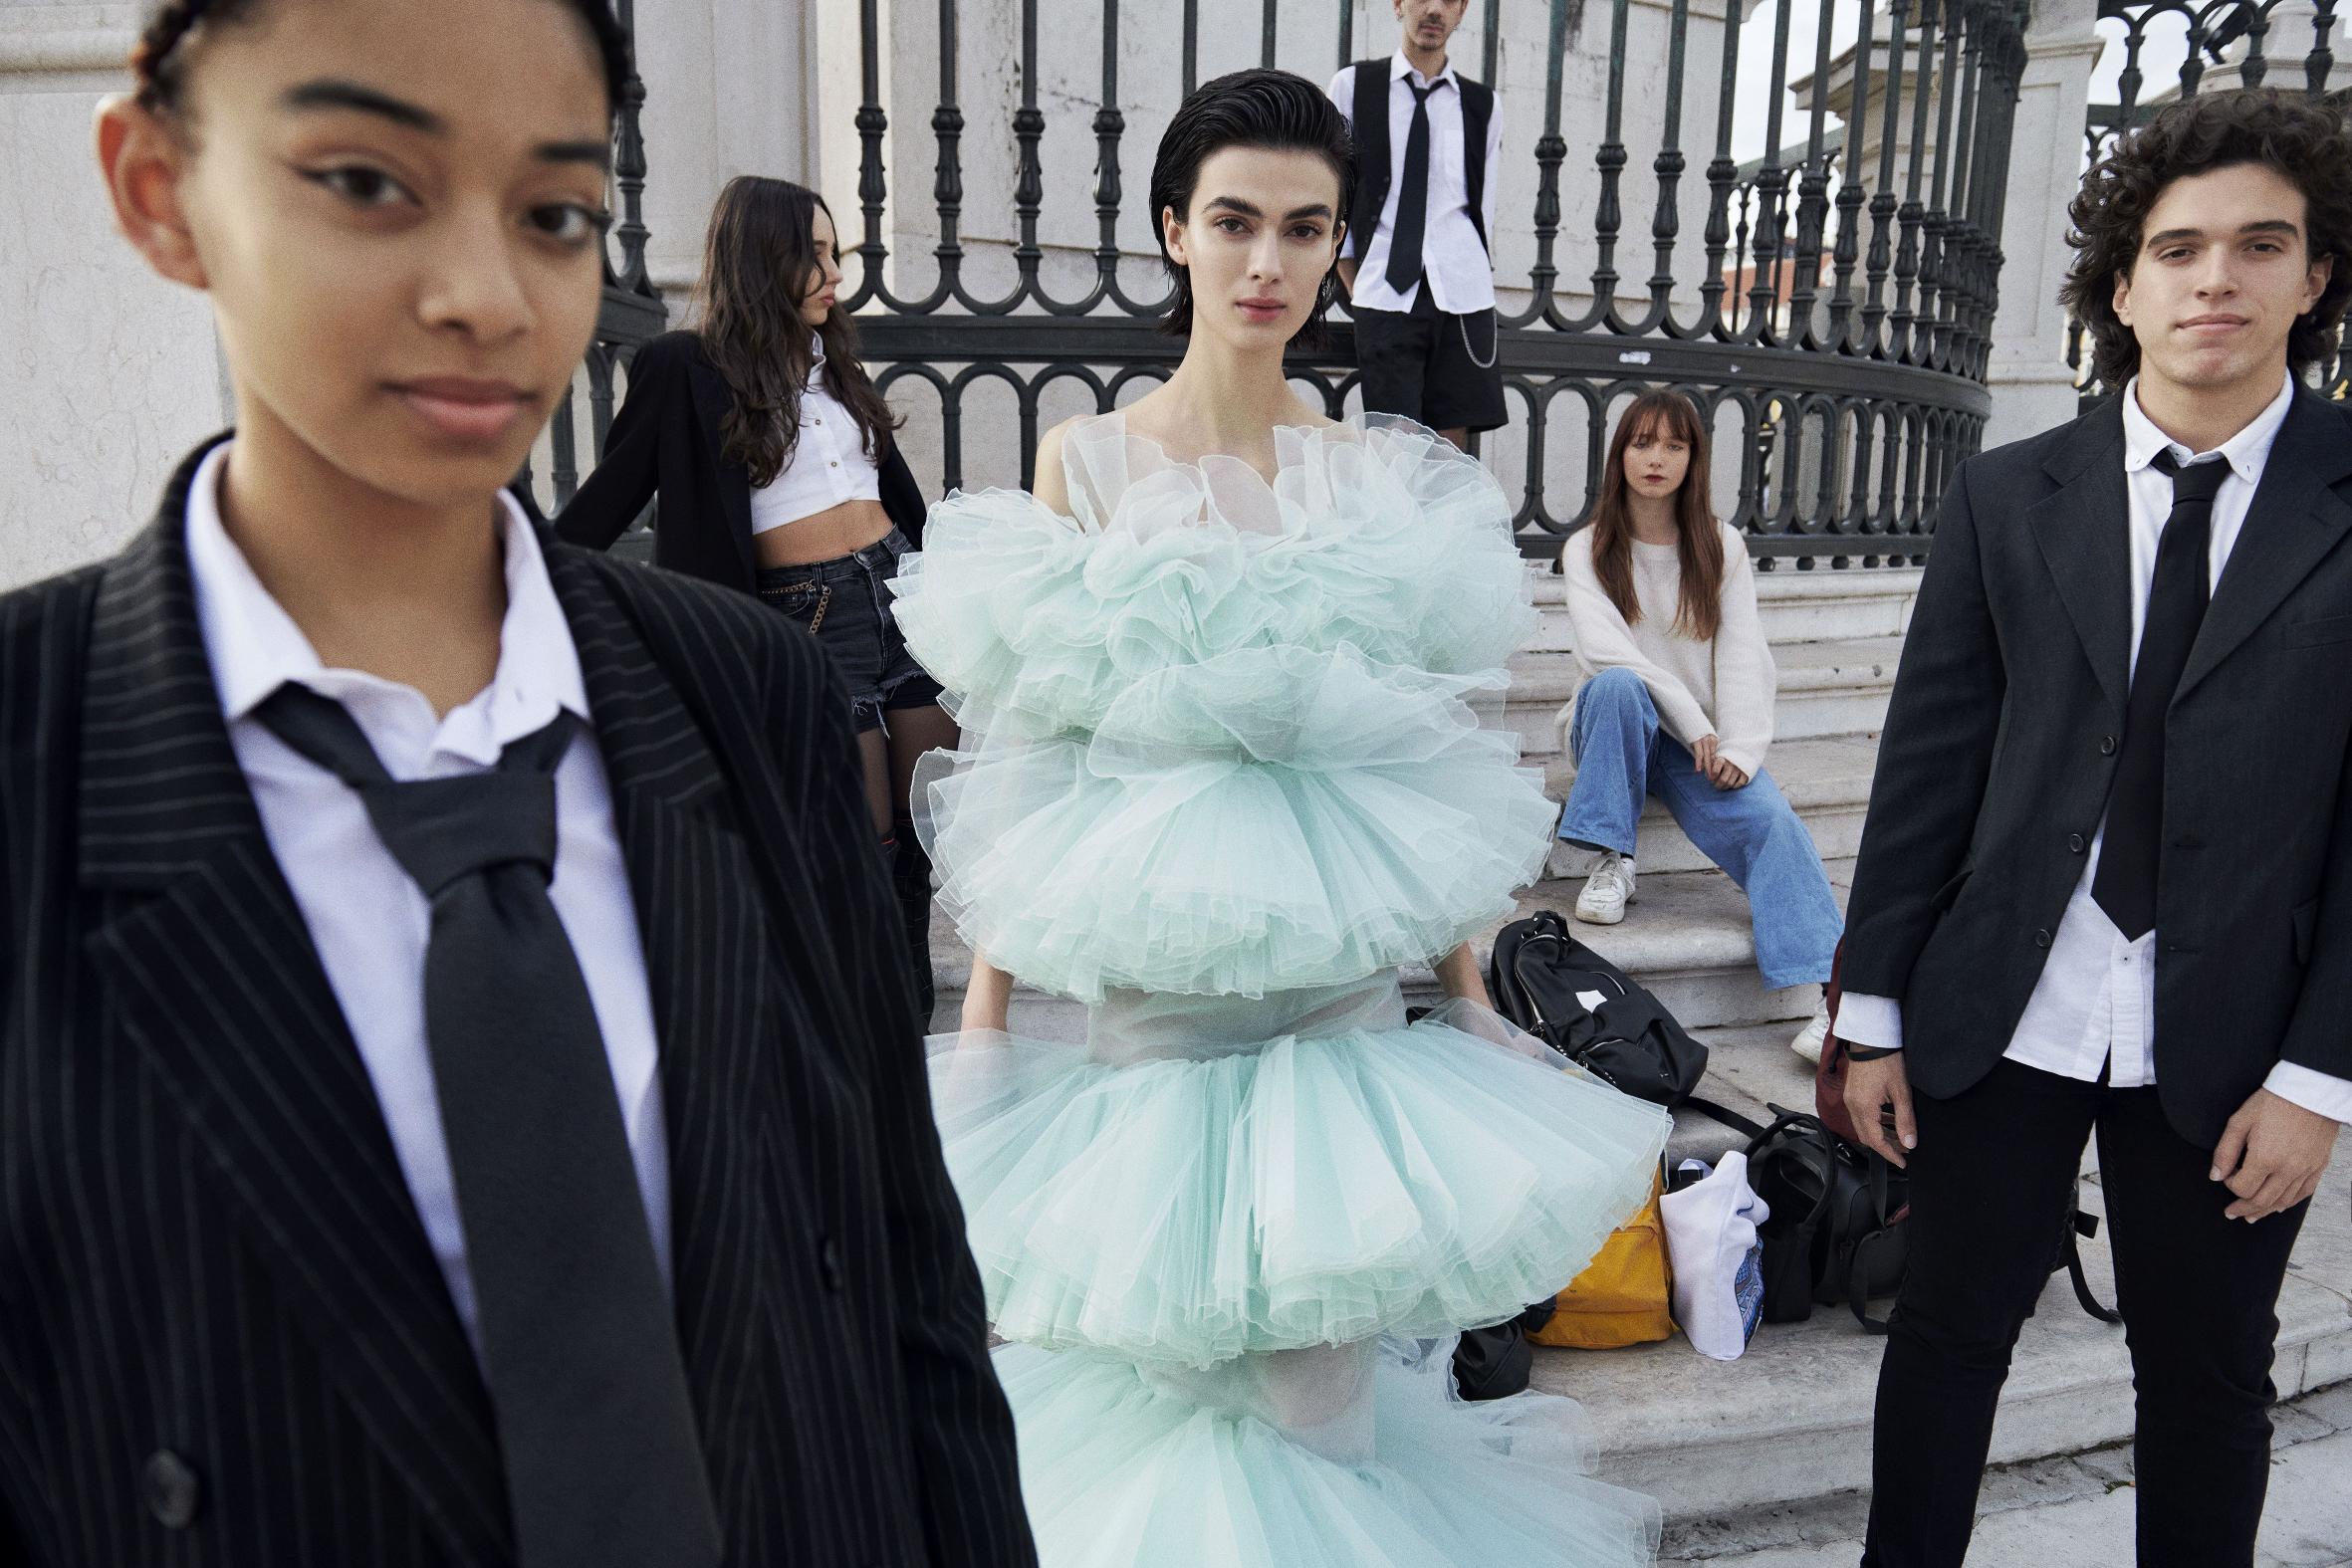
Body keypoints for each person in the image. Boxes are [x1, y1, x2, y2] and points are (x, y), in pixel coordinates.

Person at [0, 2, 1035, 1563]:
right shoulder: (38, 745)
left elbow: (907, 1294)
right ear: (158, 185)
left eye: (555, 211)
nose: (487, 296)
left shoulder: (730, 698)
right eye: (366, 181)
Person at [889, 68, 1670, 1567]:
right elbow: (1032, 751)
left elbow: (1407, 767)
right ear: (1175, 229)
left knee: (1313, 1414)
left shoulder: (1371, 476)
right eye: (1235, 221)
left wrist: (1465, 997)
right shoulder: (1086, 462)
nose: (1266, 262)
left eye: (1303, 229)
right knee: (1155, 1399)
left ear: (1338, 253)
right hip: (1149, 1027)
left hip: (1330, 1040)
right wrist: (984, 1026)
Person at [1836, 88, 2351, 1568]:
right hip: (2006, 994)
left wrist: (2321, 1072)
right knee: (1940, 1343)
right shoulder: (2007, 493)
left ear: (2312, 278)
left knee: (2202, 1378)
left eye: (2260, 246)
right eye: (2176, 248)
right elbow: (1926, 763)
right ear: (2119, 285)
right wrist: (1870, 1010)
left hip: (2243, 1033)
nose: (2214, 280)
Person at [559, 175, 952, 1018]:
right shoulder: (686, 368)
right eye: (809, 255)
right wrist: (510, 574)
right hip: (802, 620)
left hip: (899, 599)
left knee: (929, 823)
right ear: (757, 258)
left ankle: (912, 1022)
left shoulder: (833, 360)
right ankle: (859, 1023)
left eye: (832, 252)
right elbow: (607, 499)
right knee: (861, 839)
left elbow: (890, 487)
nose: (830, 272)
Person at [1551, 390, 1840, 1061]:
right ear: (1619, 454)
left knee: (1770, 818)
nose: (1656, 458)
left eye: (1673, 445)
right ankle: (1612, 860)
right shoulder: (1588, 547)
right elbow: (1606, 652)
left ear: (1693, 458)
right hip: (1610, 728)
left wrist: (1739, 744)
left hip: (1696, 745)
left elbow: (1742, 650)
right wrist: (1688, 714)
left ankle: (1837, 1002)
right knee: (1621, 685)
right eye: (1642, 442)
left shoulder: (1721, 545)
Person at [1325, 0, 1505, 449]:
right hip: (1386, 286)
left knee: (1450, 449)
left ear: (1461, 11)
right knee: (1396, 445)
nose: (1433, 10)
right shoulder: (1354, 86)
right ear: (1399, 5)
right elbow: (1333, 189)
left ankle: (1448, 523)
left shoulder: (1483, 105)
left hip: (1463, 292)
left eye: (1448, 1)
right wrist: (1352, 277)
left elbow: (1483, 203)